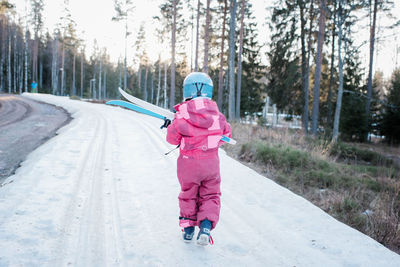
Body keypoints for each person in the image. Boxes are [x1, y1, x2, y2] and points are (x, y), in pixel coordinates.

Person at [165, 72, 231, 246]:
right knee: (210, 195)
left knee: (188, 195)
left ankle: (188, 230)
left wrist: (170, 125)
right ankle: (206, 227)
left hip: (189, 164)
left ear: (187, 91)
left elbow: (172, 139)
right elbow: (226, 136)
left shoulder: (181, 116)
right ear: (209, 91)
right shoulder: (218, 117)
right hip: (210, 165)